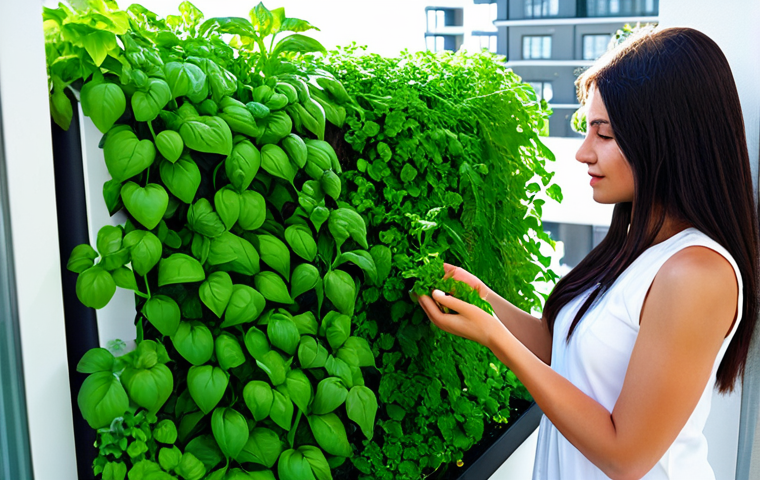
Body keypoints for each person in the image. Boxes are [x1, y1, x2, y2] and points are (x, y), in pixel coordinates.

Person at [416, 27, 759, 480]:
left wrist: (495, 338)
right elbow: (564, 349)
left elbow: (625, 454)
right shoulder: (636, 244)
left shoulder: (697, 273)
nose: (582, 153)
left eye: (605, 134)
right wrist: (479, 296)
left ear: (668, 138)